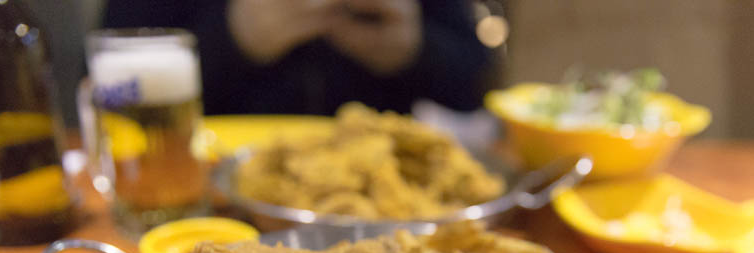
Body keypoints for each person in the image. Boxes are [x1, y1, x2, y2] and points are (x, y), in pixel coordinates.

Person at [101, 0, 495, 116]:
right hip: (209, 191)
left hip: (387, 196)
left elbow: (476, 86)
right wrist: (234, 37)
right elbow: (113, 91)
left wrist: (414, 50)